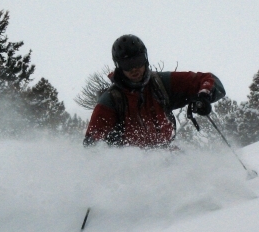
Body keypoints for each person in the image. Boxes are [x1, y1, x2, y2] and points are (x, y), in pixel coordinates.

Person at [83, 34, 226, 148]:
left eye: (138, 61)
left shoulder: (161, 84)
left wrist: (204, 96)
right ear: (118, 66)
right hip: (130, 168)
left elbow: (209, 80)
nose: (134, 68)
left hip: (167, 155)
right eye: (127, 64)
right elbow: (91, 145)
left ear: (145, 58)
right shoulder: (111, 100)